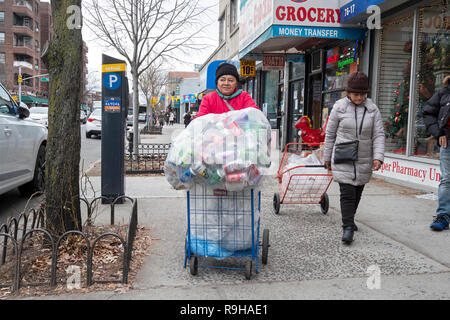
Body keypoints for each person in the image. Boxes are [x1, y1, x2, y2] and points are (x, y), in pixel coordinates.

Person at [324, 72, 385, 245]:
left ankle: (350, 219)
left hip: (364, 158)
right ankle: (348, 227)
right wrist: (327, 157)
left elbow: (379, 135)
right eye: (356, 94)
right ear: (348, 93)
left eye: (362, 94)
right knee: (348, 193)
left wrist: (378, 157)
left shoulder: (372, 110)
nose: (359, 97)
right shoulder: (339, 108)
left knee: (358, 191)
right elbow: (330, 135)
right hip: (344, 156)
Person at [423, 75, 450, 231]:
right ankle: (443, 216)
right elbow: (427, 113)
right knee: (447, 179)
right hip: (448, 142)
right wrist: (438, 133)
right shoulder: (443, 93)